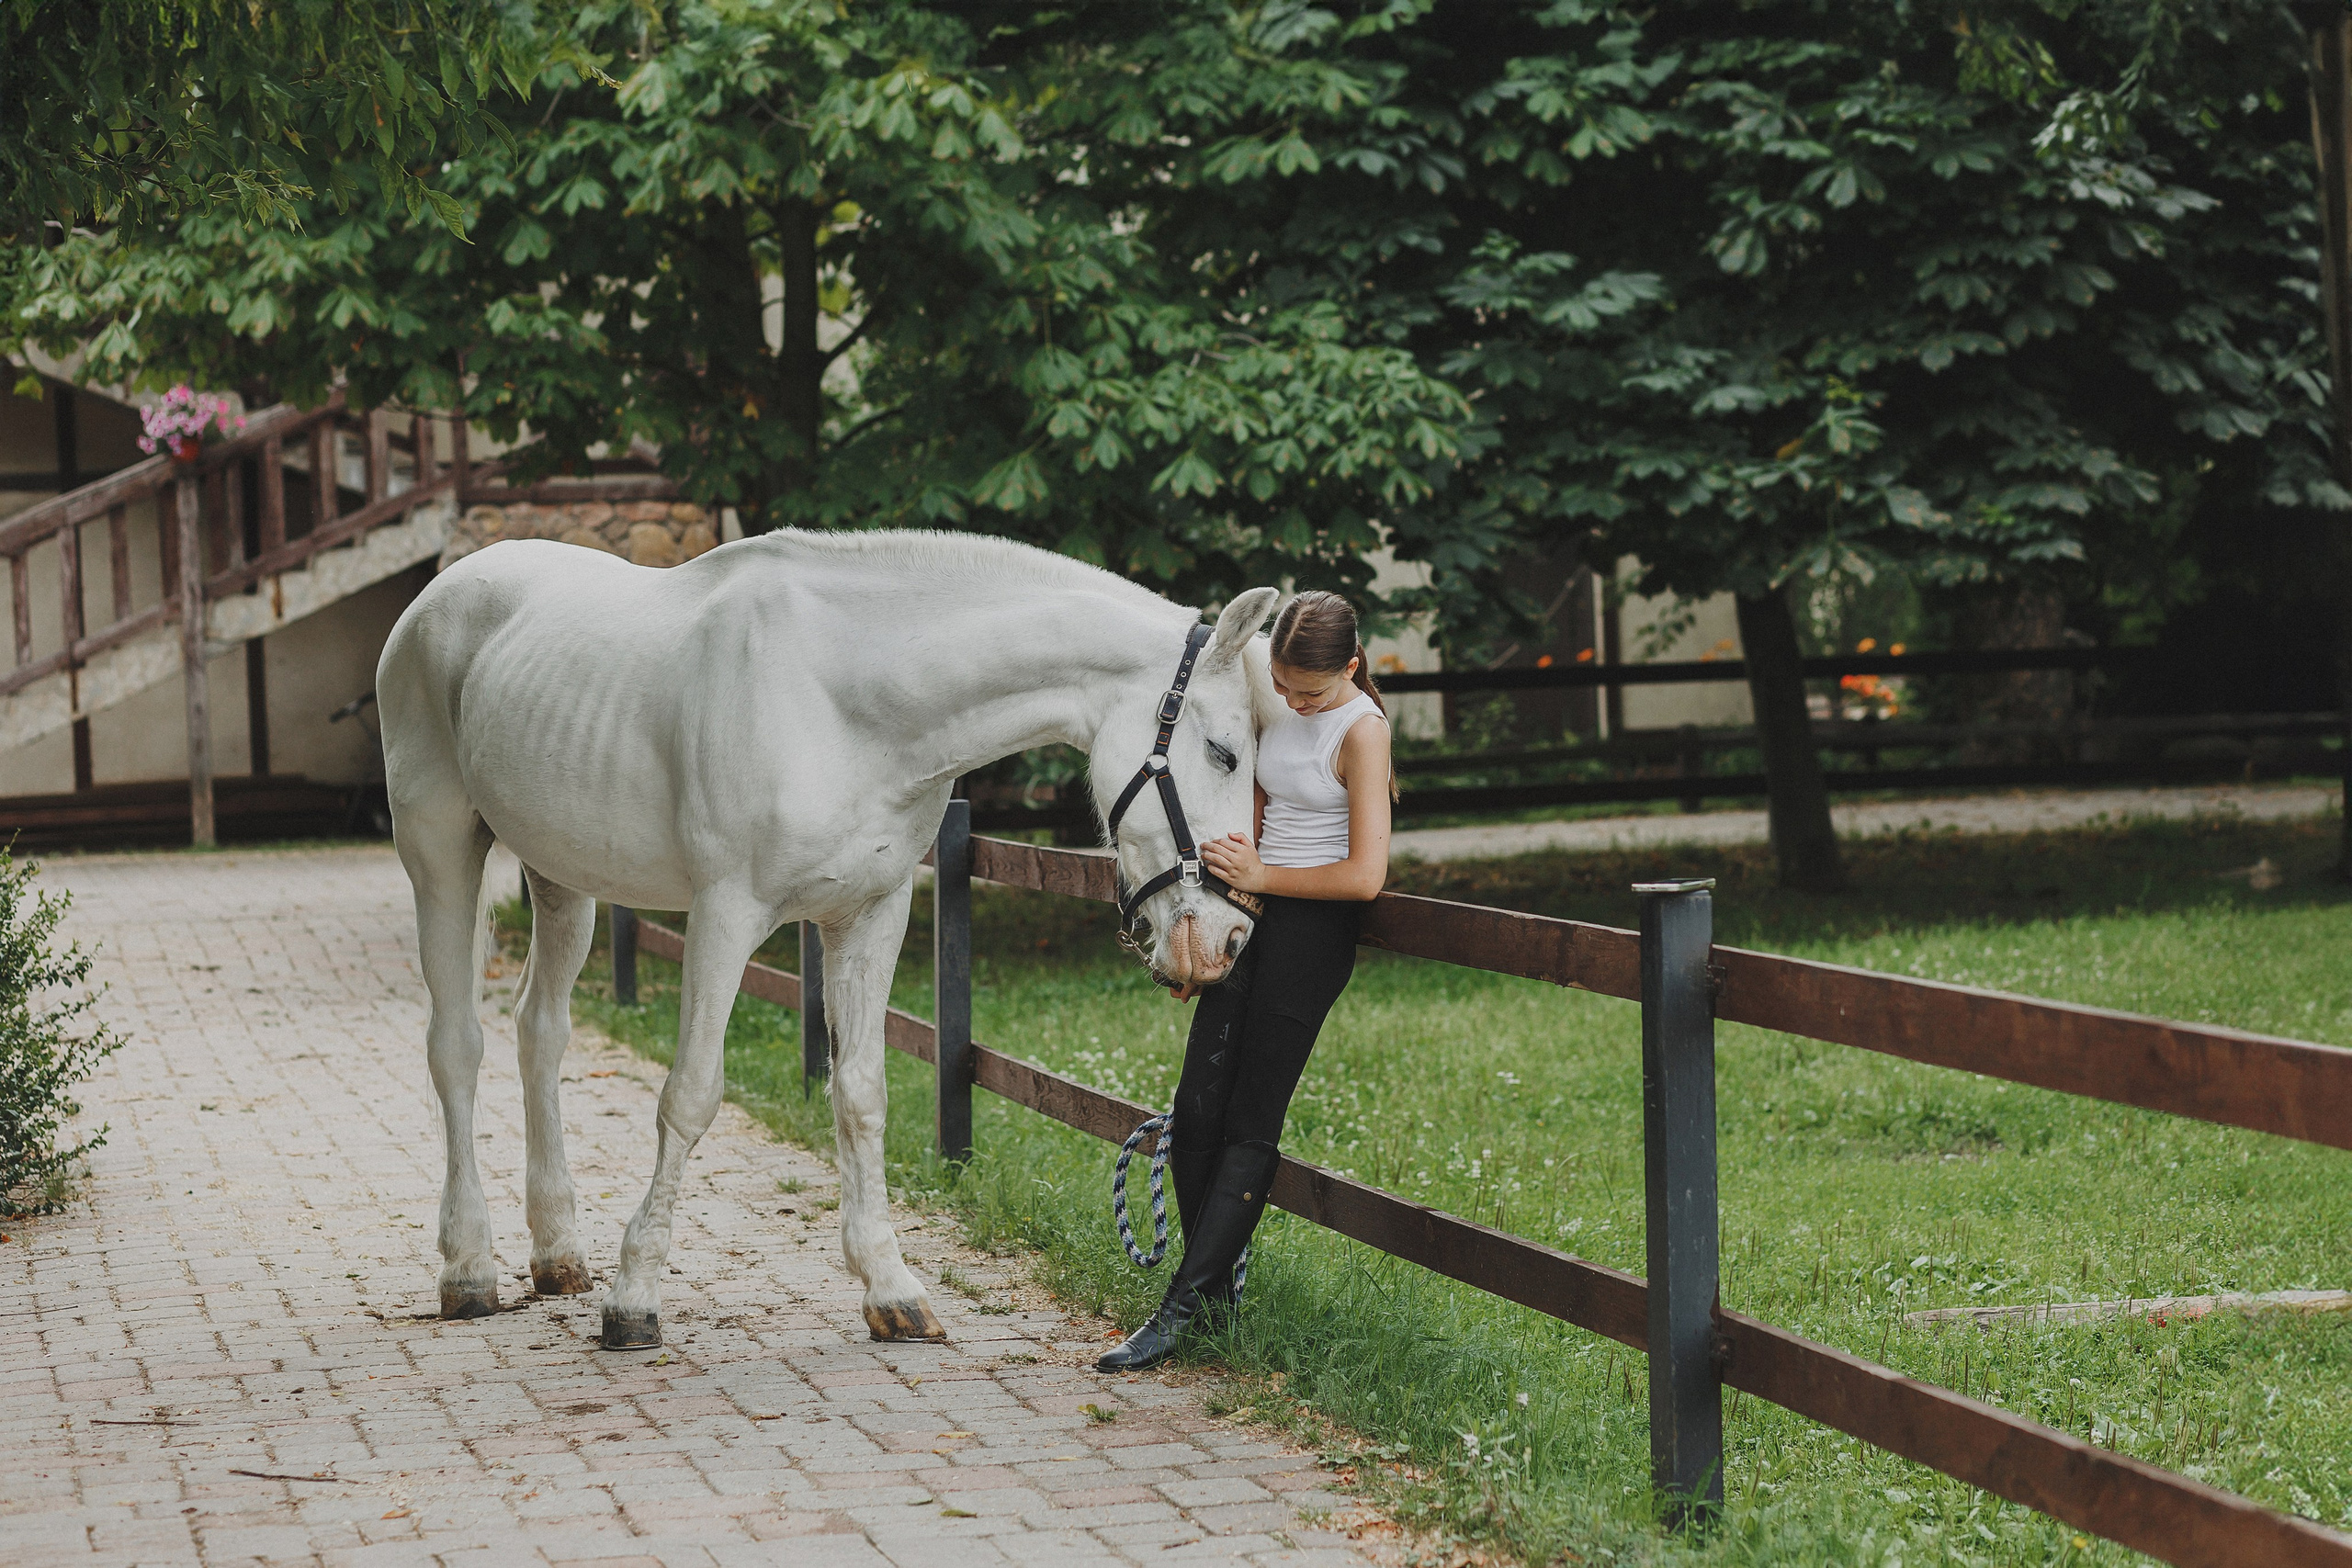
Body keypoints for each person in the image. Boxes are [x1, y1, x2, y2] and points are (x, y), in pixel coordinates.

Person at [1099, 590, 1393, 1372]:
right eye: (1286, 687)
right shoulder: (1282, 705)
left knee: (1251, 1120)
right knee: (1196, 1111)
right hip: (1254, 915)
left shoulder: (1363, 731)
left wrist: (1267, 873)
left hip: (1314, 932)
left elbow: (1366, 875)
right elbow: (1249, 810)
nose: (1294, 703)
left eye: (1311, 691)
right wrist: (1210, 929)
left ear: (1352, 669)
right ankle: (1217, 1298)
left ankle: (1181, 1306)